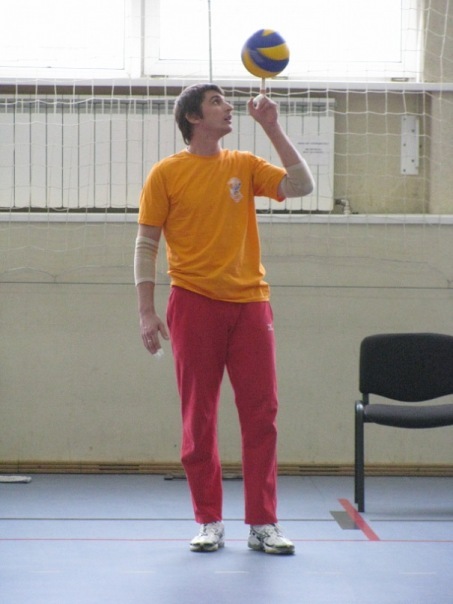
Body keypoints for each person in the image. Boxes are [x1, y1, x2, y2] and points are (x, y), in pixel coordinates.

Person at [134, 83, 315, 555]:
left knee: (262, 414)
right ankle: (209, 520)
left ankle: (263, 523)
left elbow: (302, 186)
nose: (229, 107)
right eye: (216, 101)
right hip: (193, 302)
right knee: (199, 416)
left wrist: (272, 127)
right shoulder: (166, 173)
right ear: (193, 117)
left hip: (251, 303)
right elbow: (146, 244)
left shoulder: (244, 165)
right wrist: (146, 311)